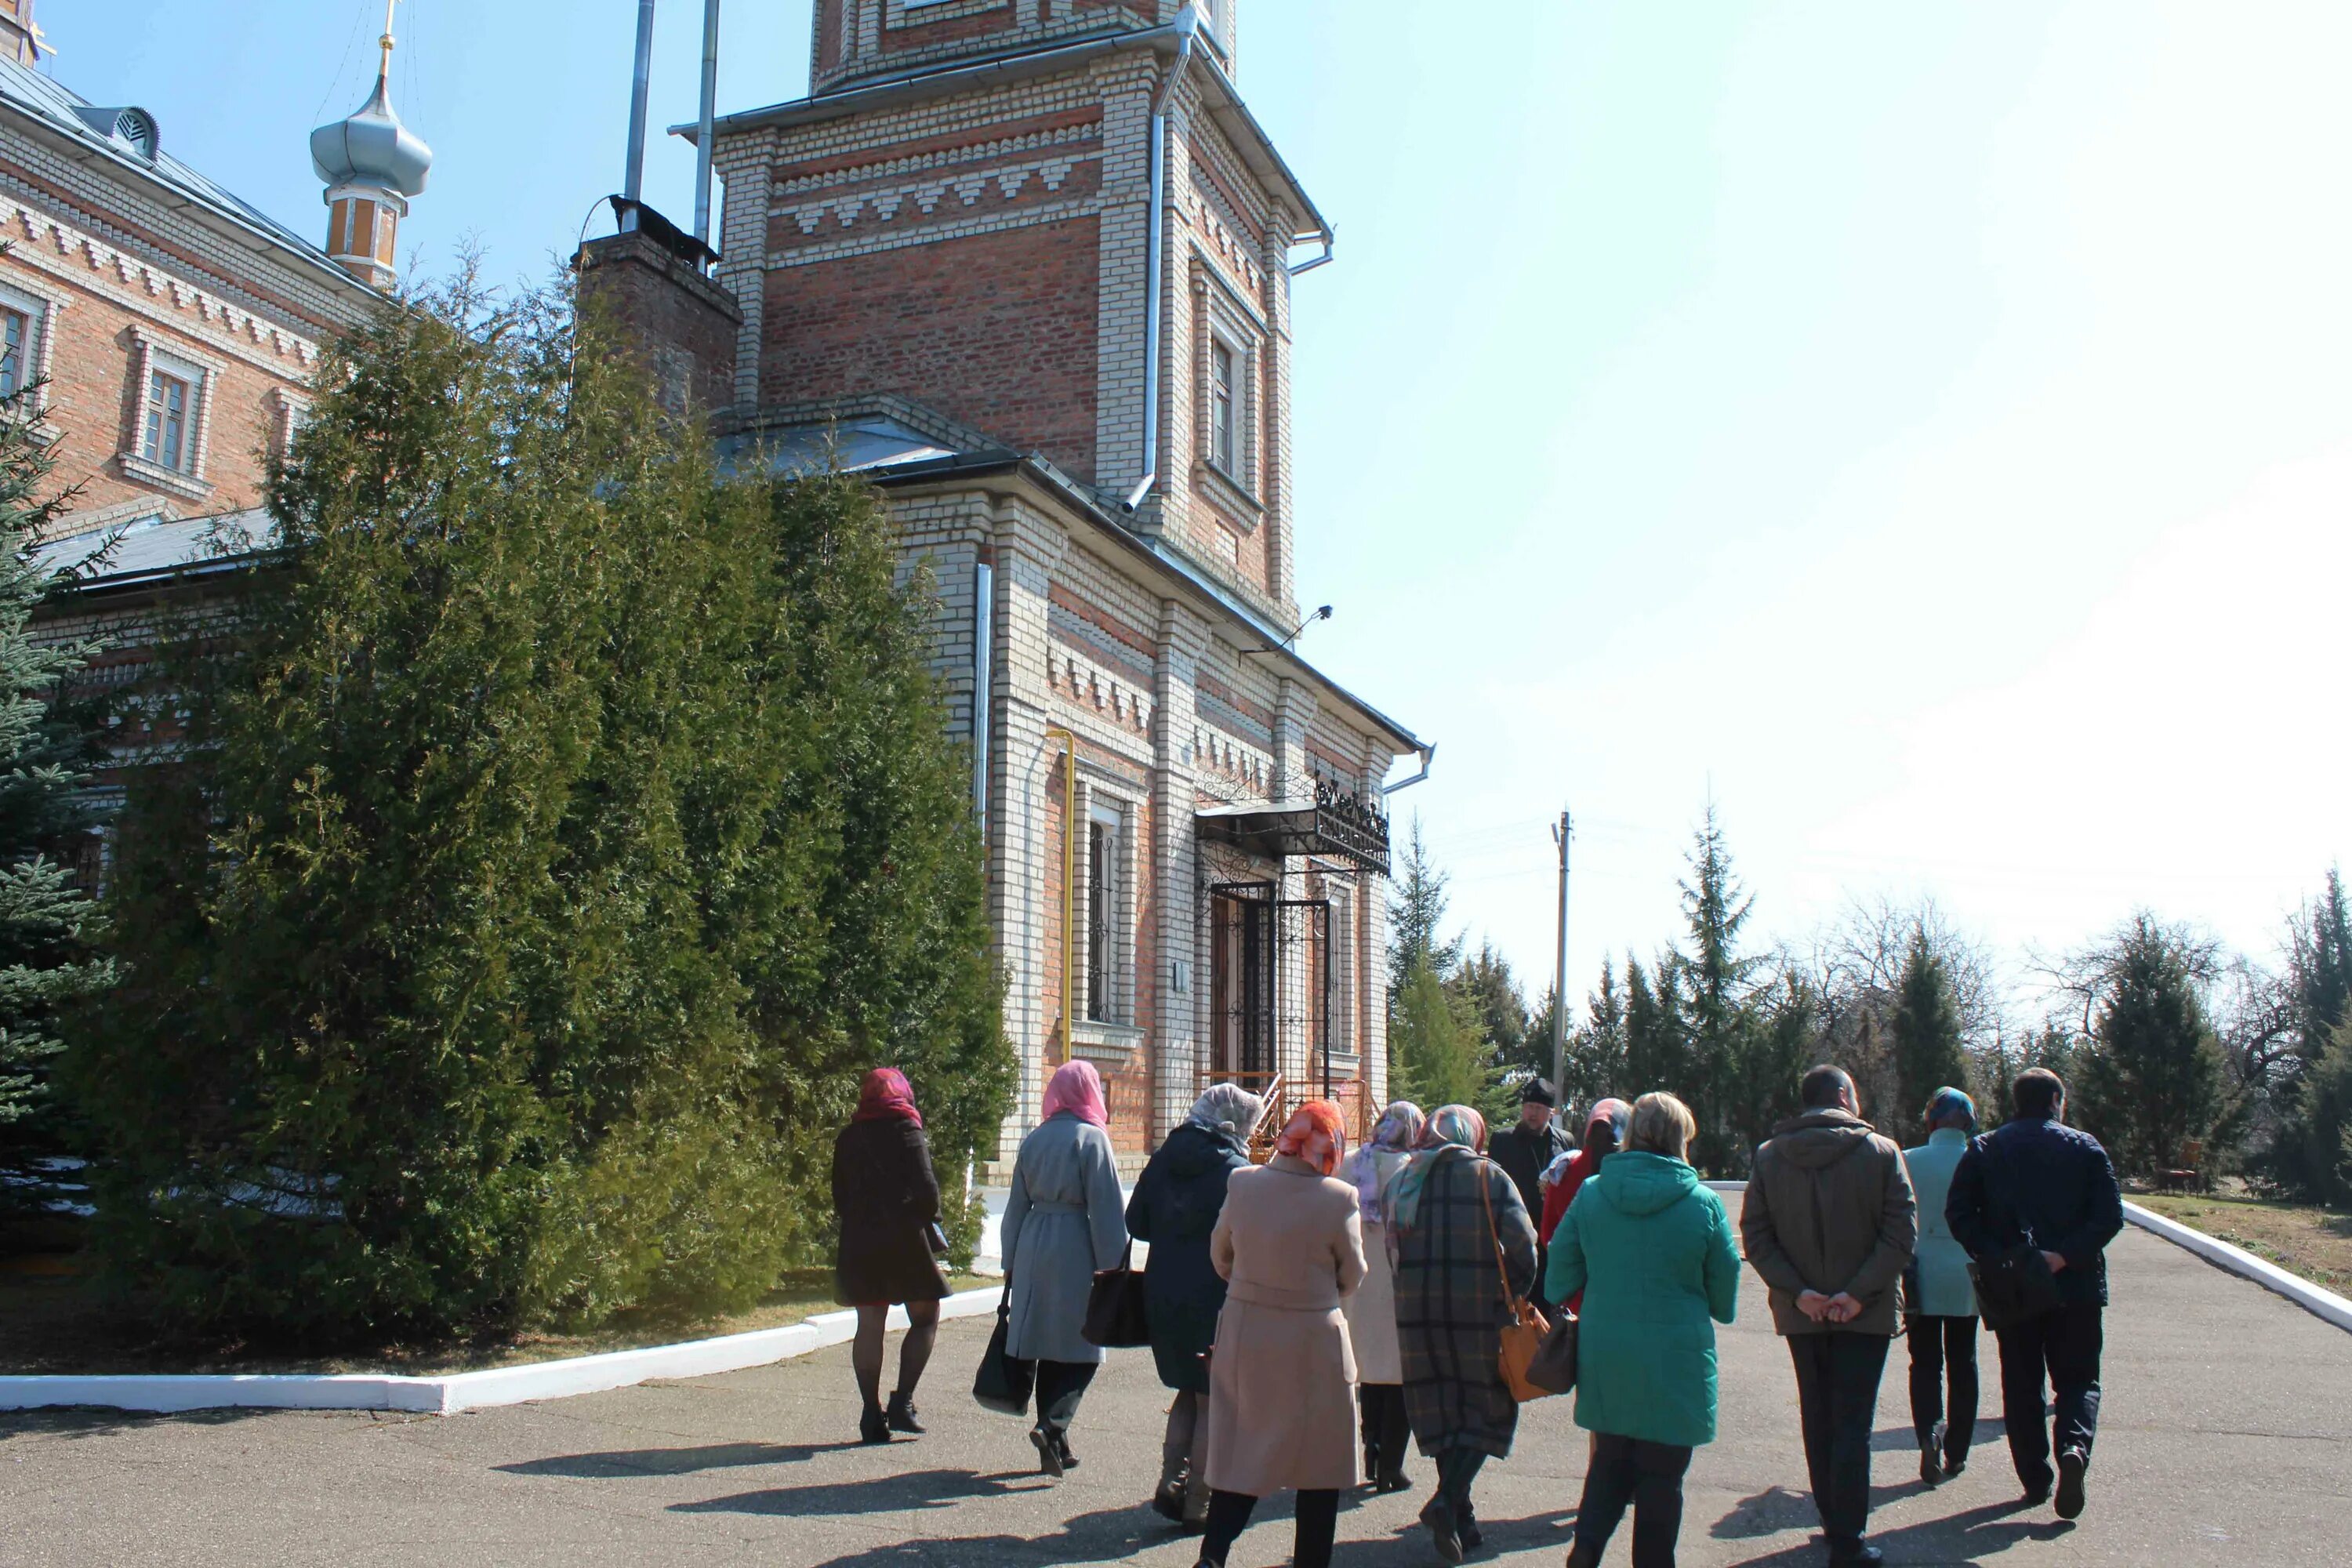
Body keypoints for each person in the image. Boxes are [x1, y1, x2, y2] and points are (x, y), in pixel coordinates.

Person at [1548, 1093, 1740, 1568]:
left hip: (1606, 1348)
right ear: (1681, 1139)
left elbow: (1557, 1278)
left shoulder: (1591, 1193)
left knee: (1610, 1460)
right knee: (1662, 1479)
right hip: (1677, 1356)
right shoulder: (1704, 1203)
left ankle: (1587, 1547)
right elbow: (1725, 1298)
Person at [1740, 1065, 1918, 1568]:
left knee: (1817, 1417)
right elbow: (1902, 1234)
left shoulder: (1769, 1157)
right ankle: (1848, 1539)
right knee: (1852, 1422)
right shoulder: (1884, 1153)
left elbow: (1756, 1236)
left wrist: (1801, 1293)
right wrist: (1857, 1294)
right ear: (1843, 1096)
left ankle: (1831, 1521)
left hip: (1804, 1314)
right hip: (1866, 1313)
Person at [1946, 1068, 2123, 1522]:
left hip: (2014, 1287)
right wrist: (2064, 1255)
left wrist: (1999, 1258)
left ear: (2016, 1102)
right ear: (2056, 1102)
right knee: (2079, 1379)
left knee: (2022, 1382)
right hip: (2076, 1285)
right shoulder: (2085, 1147)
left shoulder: (1985, 1147)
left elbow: (1959, 1214)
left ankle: (2035, 1478)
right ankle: (2074, 1448)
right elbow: (2110, 1217)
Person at [1196, 1101, 1367, 1568]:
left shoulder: (1244, 1183)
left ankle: (1213, 1555)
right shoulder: (1338, 1198)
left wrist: (1252, 1285)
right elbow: (1353, 1274)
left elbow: (1221, 1254)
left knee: (1243, 1452)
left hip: (1248, 1330)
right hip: (1314, 1336)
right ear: (1332, 1143)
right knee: (1319, 1463)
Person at [1390, 1104, 1539, 1566]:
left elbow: (1390, 1248)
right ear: (1470, 1134)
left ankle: (1461, 1518)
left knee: (1444, 1409)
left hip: (1417, 1313)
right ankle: (1446, 1500)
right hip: (1478, 1311)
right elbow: (1524, 1247)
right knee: (1489, 1406)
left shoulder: (1405, 1178)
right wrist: (1512, 1292)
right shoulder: (1487, 1176)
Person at [1128, 1082, 1261, 1530]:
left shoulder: (1164, 1156)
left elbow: (1136, 1222)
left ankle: (1171, 1480)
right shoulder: (1238, 1172)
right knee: (1211, 1399)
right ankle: (1198, 1503)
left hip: (1163, 1291)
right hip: (1216, 1295)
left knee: (1187, 1390)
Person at [1001, 1058, 1129, 1477]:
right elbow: (1107, 1207)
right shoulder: (1091, 1139)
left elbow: (1015, 1207)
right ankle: (1052, 1424)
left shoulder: (1034, 1139)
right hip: (1075, 1244)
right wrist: (1114, 1265)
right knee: (1084, 1346)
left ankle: (1057, 1443)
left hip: (1034, 1240)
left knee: (1045, 1342)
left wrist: (1009, 1260)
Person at [832, 1067, 950, 1445]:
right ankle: (903, 1403)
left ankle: (871, 1413)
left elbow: (839, 1196)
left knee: (869, 1325)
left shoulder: (848, 1137)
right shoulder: (907, 1130)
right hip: (904, 1242)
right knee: (926, 1316)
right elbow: (928, 1195)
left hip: (859, 1242)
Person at [1341, 1099, 1425, 1494]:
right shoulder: (1415, 1168)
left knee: (1368, 1373)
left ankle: (1371, 1451)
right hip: (1400, 1284)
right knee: (1400, 1377)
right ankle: (1392, 1463)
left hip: (1358, 1284)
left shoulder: (1352, 1162)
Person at [1900, 1087, 1981, 1488]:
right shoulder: (1982, 1159)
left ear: (1930, 1121)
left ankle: (1929, 1433)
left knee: (1925, 1362)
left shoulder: (1909, 1160)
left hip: (1921, 1271)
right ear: (1969, 1121)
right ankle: (1958, 1450)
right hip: (1969, 1269)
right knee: (1963, 1361)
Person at [1487, 1077, 1571, 1309]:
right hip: (1516, 1236)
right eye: (1529, 1107)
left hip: (1551, 1240)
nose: (1532, 1114)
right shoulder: (1504, 1140)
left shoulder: (1565, 1142)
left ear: (1551, 1112)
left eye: (1539, 1109)